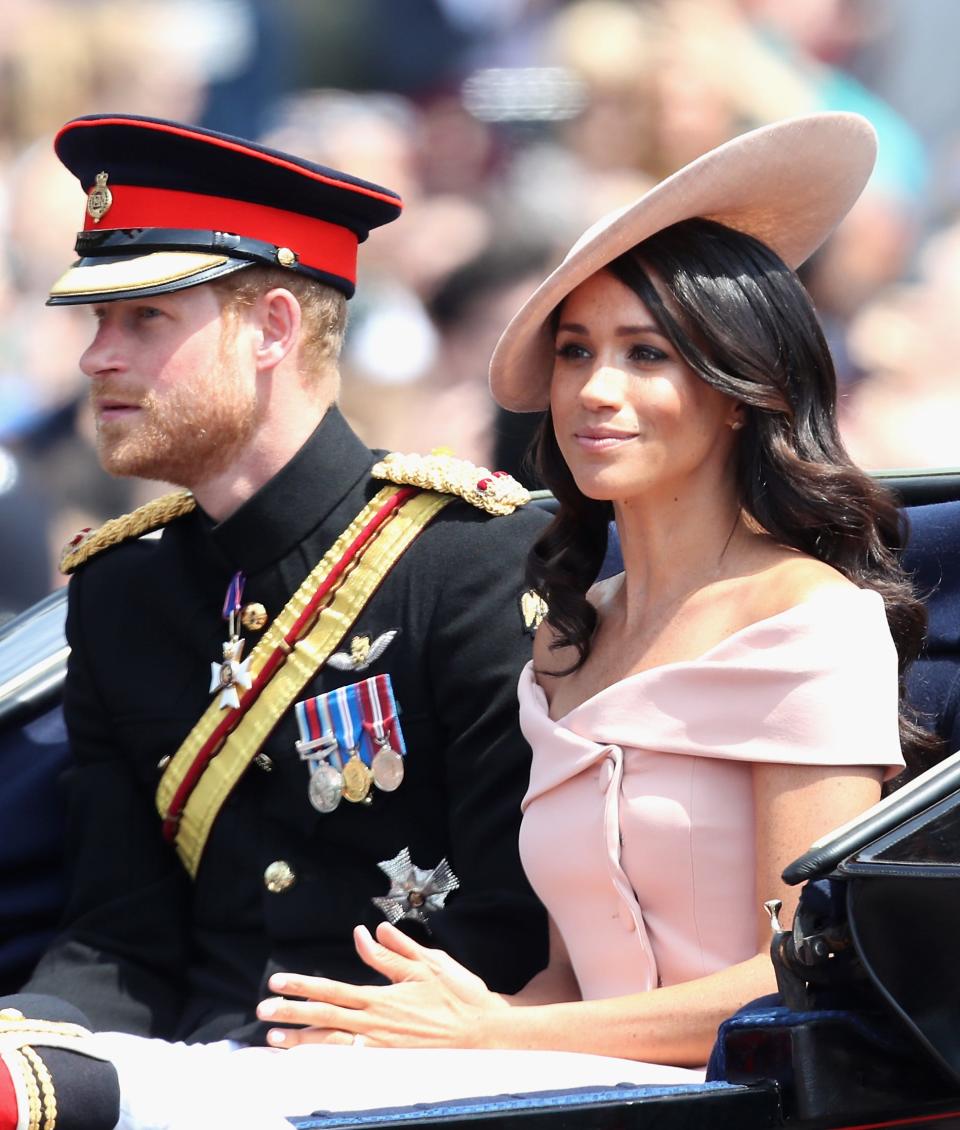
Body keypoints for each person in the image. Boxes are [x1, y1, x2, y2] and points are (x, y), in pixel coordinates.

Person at [244, 111, 935, 1071]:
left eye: (647, 354)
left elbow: (801, 973)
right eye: (575, 352)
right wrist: (397, 1045)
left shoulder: (812, 622)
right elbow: (576, 983)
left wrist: (490, 1032)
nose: (595, 389)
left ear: (739, 390)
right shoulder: (570, 637)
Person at [0, 113, 550, 1129]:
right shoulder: (127, 589)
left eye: (145, 321)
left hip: (417, 1088)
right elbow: (117, 939)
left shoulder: (473, 559)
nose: (95, 358)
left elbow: (512, 931)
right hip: (190, 1077)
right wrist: (24, 1048)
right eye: (93, 321)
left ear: (273, 329)